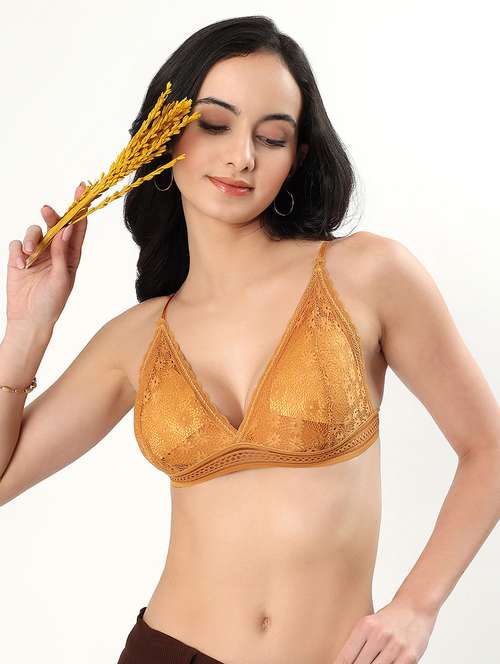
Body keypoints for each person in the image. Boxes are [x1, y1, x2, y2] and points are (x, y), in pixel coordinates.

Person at [1, 15, 499, 664]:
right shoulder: (136, 339)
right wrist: (28, 330)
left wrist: (417, 607)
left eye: (272, 137)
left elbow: (488, 448)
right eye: (215, 124)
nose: (242, 156)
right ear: (166, 134)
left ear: (297, 157)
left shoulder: (369, 274)